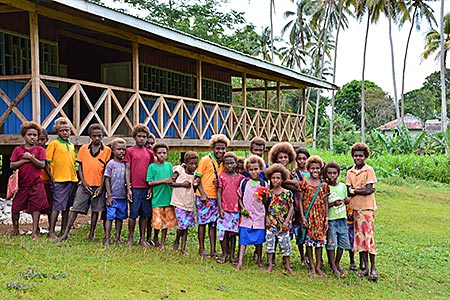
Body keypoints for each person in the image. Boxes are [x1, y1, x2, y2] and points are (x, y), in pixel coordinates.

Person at [56, 124, 111, 242]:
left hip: (99, 186)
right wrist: (84, 183)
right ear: (90, 136)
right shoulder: (83, 149)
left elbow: (106, 171)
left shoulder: (107, 151)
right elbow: (80, 167)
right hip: (84, 184)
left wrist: (101, 187)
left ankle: (91, 235)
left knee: (96, 210)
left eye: (99, 136)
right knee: (76, 208)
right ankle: (65, 233)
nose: (97, 138)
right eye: (94, 136)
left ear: (103, 136)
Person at [8, 122, 49, 239]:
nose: (32, 137)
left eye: (35, 135)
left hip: (36, 184)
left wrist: (31, 157)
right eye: (29, 134)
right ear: (24, 136)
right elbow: (12, 164)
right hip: (22, 185)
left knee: (36, 208)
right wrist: (25, 160)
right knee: (15, 208)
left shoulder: (40, 150)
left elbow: (41, 164)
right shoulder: (18, 150)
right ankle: (15, 229)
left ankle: (35, 231)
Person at [346, 142, 378, 282]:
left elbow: (369, 190)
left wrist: (355, 190)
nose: (358, 158)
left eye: (361, 156)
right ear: (352, 156)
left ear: (365, 157)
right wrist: (358, 191)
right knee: (360, 240)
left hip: (367, 209)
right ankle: (364, 267)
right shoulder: (350, 172)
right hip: (355, 209)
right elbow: (349, 190)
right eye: (356, 155)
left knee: (369, 238)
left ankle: (373, 268)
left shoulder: (368, 170)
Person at [195, 134, 229, 258]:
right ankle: (201, 249)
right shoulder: (205, 160)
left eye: (223, 148)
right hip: (204, 197)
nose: (220, 151)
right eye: (218, 148)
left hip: (217, 198)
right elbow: (197, 179)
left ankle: (213, 250)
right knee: (202, 223)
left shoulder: (225, 162)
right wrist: (202, 194)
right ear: (212, 148)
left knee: (213, 224)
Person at [46, 117, 78, 240]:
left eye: (67, 130)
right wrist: (51, 178)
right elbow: (46, 163)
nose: (65, 133)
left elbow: (73, 162)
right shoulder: (54, 144)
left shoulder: (71, 145)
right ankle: (51, 232)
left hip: (71, 179)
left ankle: (64, 231)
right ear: (57, 132)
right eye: (62, 130)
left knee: (66, 207)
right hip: (59, 180)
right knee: (57, 206)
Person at [124, 124, 155, 247]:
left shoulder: (149, 153)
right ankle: (130, 238)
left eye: (144, 137)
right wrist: (128, 188)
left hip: (146, 187)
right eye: (139, 136)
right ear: (134, 137)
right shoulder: (130, 151)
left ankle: (142, 238)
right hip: (134, 188)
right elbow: (127, 169)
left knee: (145, 215)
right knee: (133, 214)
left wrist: (151, 188)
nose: (142, 139)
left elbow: (152, 172)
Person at [298, 155, 330, 276]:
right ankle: (311, 266)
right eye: (312, 168)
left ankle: (318, 266)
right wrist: (302, 217)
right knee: (309, 243)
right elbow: (300, 201)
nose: (315, 171)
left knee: (319, 243)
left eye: (317, 168)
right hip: (309, 217)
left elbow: (326, 203)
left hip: (320, 218)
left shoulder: (324, 185)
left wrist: (326, 219)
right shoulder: (304, 184)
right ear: (308, 169)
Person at [234, 155, 267, 271]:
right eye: (251, 170)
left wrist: (264, 196)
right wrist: (243, 208)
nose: (254, 172)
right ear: (247, 170)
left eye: (256, 169)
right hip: (246, 215)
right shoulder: (244, 183)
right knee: (243, 239)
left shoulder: (264, 184)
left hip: (259, 215)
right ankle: (240, 262)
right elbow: (239, 197)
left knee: (259, 240)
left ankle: (259, 261)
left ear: (260, 169)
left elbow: (266, 201)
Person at [264, 164, 295, 275]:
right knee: (270, 244)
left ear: (282, 179)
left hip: (284, 225)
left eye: (278, 178)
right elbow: (266, 207)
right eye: (273, 178)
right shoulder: (269, 193)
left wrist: (287, 220)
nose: (275, 180)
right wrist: (267, 218)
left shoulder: (287, 193)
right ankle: (269, 265)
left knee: (285, 245)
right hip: (271, 224)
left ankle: (287, 266)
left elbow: (291, 207)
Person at [147, 142, 176, 250]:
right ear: (155, 154)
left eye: (164, 153)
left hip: (168, 197)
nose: (162, 155)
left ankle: (163, 242)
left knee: (166, 223)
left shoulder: (169, 166)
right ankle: (155, 238)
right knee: (157, 222)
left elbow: (172, 179)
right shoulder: (152, 167)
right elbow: (149, 182)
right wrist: (164, 180)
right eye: (159, 153)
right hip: (157, 198)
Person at [324, 161, 351, 276]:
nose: (332, 175)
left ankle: (337, 262)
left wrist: (346, 201)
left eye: (334, 173)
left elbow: (346, 199)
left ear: (338, 174)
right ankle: (333, 266)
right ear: (326, 174)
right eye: (329, 173)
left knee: (343, 242)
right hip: (331, 219)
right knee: (331, 242)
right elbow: (324, 203)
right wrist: (332, 204)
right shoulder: (325, 187)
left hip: (342, 218)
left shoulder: (342, 186)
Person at [216, 152, 244, 264]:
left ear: (236, 164)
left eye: (232, 163)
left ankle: (232, 255)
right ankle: (224, 254)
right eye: (227, 163)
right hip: (224, 209)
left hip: (236, 210)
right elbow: (219, 192)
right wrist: (220, 208)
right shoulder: (222, 176)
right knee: (223, 233)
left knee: (233, 234)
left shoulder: (240, 178)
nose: (229, 166)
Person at [171, 151, 199, 255]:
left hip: (189, 203)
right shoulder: (180, 170)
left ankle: (183, 248)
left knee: (186, 226)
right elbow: (171, 182)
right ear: (186, 162)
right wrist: (182, 184)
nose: (194, 166)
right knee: (182, 225)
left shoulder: (195, 174)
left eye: (196, 163)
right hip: (179, 202)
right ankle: (177, 240)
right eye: (191, 164)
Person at [103, 138, 128, 247]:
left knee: (120, 218)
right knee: (110, 217)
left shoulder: (126, 164)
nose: (121, 151)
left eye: (123, 149)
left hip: (123, 196)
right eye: (118, 149)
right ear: (112, 150)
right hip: (112, 196)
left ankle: (117, 238)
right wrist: (109, 195)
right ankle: (107, 239)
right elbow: (107, 179)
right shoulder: (111, 164)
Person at [293, 147, 311, 265]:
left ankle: (308, 255)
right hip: (297, 204)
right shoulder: (294, 173)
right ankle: (301, 255)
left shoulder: (311, 173)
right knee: (299, 231)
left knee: (309, 230)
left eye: (304, 159)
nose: (302, 161)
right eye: (299, 159)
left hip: (309, 205)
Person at [36, 129, 53, 227]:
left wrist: (51, 177)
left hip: (47, 181)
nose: (40, 142)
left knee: (50, 205)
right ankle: (36, 227)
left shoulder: (49, 150)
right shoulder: (33, 151)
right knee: (36, 206)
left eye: (42, 139)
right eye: (38, 140)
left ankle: (51, 227)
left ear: (46, 139)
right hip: (37, 182)